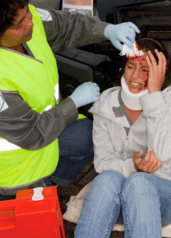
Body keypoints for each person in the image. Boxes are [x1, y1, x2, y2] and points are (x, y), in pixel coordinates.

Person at [57, 38, 171, 238]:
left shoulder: (167, 101)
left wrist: (154, 96)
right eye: (132, 66)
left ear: (160, 75)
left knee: (139, 183)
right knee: (107, 178)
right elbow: (102, 163)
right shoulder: (107, 103)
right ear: (123, 67)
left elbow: (164, 157)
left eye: (147, 70)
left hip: (159, 199)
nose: (136, 76)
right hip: (116, 201)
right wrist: (133, 165)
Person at [0, 0, 139, 200]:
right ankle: (38, 185)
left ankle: (53, 178)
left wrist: (106, 29)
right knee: (38, 223)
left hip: (44, 134)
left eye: (27, 16)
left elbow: (65, 25)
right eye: (19, 25)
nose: (29, 23)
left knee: (87, 134)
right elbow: (32, 134)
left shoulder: (24, 14)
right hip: (16, 170)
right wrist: (72, 104)